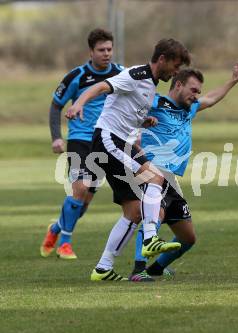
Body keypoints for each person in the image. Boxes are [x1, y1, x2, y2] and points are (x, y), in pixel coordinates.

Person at [66, 38, 191, 281]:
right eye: (175, 66)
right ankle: (150, 238)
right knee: (155, 177)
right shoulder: (136, 74)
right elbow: (102, 87)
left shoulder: (151, 83)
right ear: (162, 59)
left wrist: (143, 121)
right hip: (108, 140)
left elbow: (124, 109)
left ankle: (103, 268)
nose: (176, 73)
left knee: (133, 211)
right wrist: (79, 102)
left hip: (120, 142)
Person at [129, 63, 238, 282]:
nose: (197, 95)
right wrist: (136, 137)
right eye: (193, 90)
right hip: (152, 171)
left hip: (172, 177)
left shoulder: (188, 108)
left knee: (188, 238)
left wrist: (233, 80)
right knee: (154, 218)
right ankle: (138, 270)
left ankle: (155, 269)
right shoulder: (154, 102)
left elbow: (211, 98)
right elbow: (128, 114)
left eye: (198, 91)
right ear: (179, 85)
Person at [40, 28, 123, 260]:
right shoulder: (76, 76)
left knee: (84, 202)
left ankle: (56, 228)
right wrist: (57, 136)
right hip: (80, 138)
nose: (106, 53)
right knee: (80, 188)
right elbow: (56, 105)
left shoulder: (120, 73)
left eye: (109, 49)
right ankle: (65, 244)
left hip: (105, 140)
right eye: (101, 50)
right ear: (91, 51)